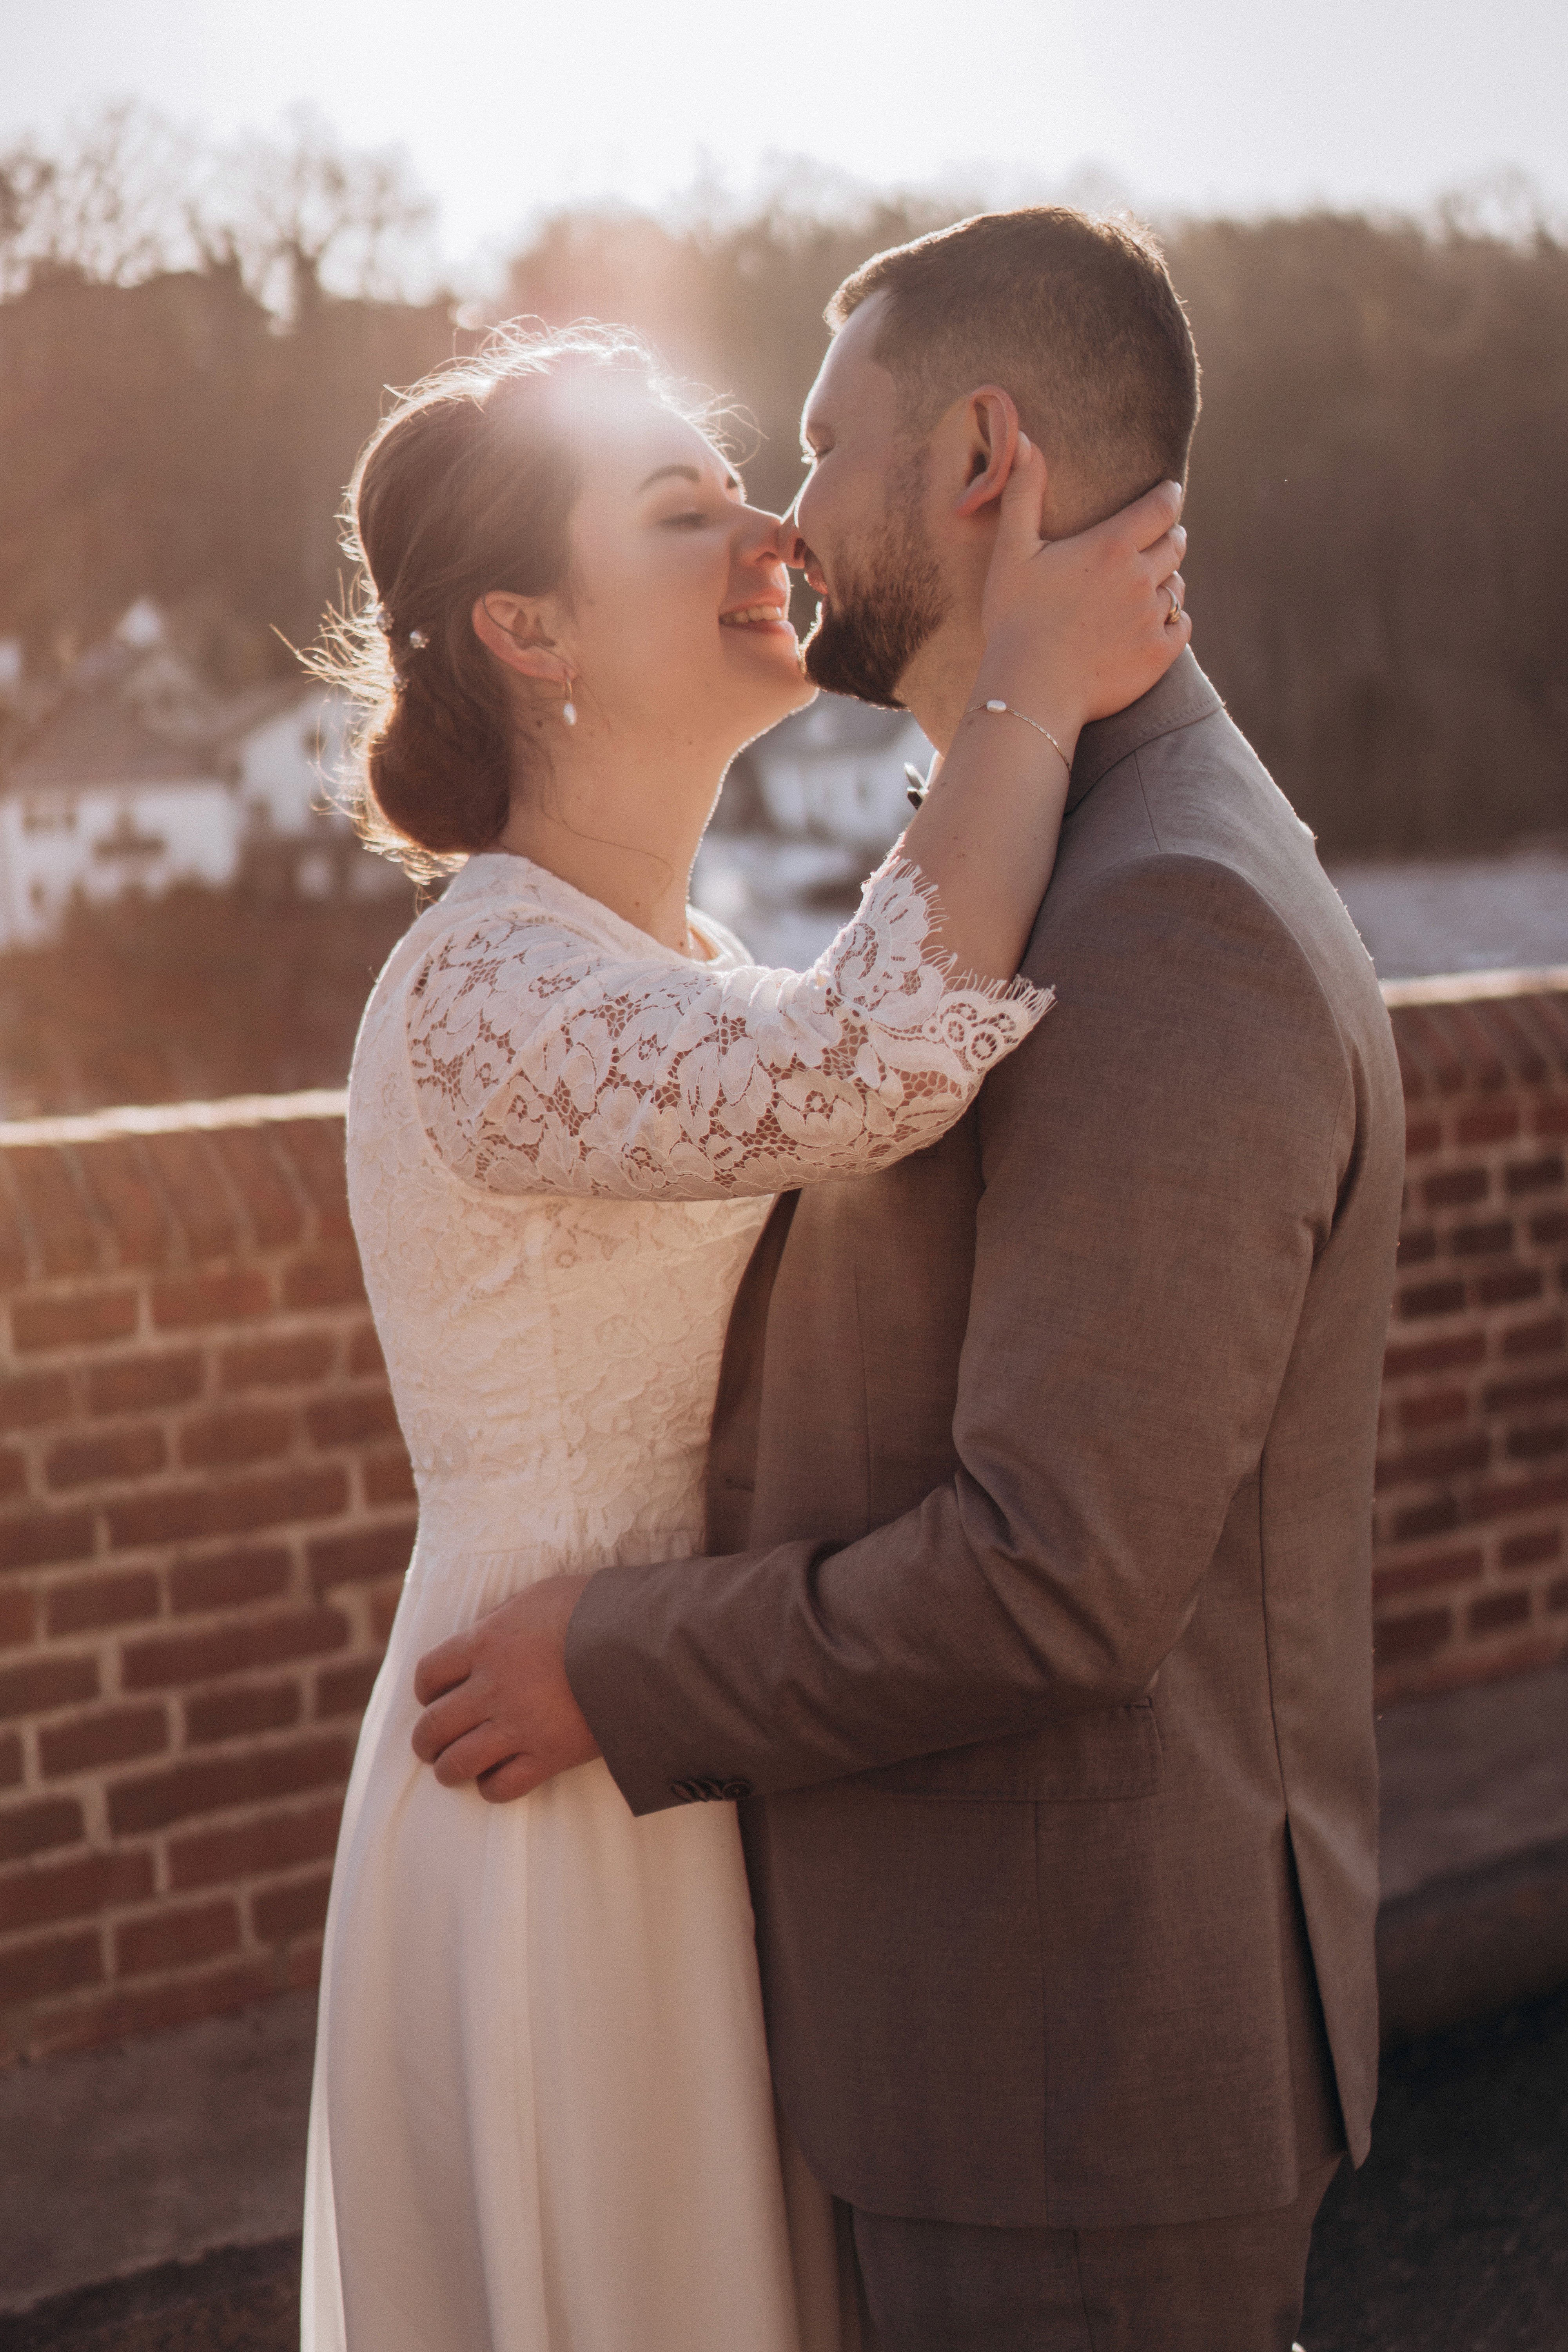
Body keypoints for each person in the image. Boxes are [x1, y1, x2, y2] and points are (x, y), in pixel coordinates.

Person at [414, 210, 1406, 2351]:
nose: (781, 515)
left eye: (812, 443)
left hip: (1068, 2074)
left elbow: (1057, 1578)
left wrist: (626, 1663)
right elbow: (850, 1074)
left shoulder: (1164, 916)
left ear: (978, 459)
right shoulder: (1053, 859)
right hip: (908, 2013)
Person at [303, 313, 1188, 2350]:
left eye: (744, 490)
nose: (770, 534)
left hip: (691, 1717)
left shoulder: (676, 960)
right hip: (548, 1781)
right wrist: (1029, 683)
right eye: (681, 508)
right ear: (530, 629)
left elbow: (847, 1029)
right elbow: (871, 1067)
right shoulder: (483, 988)